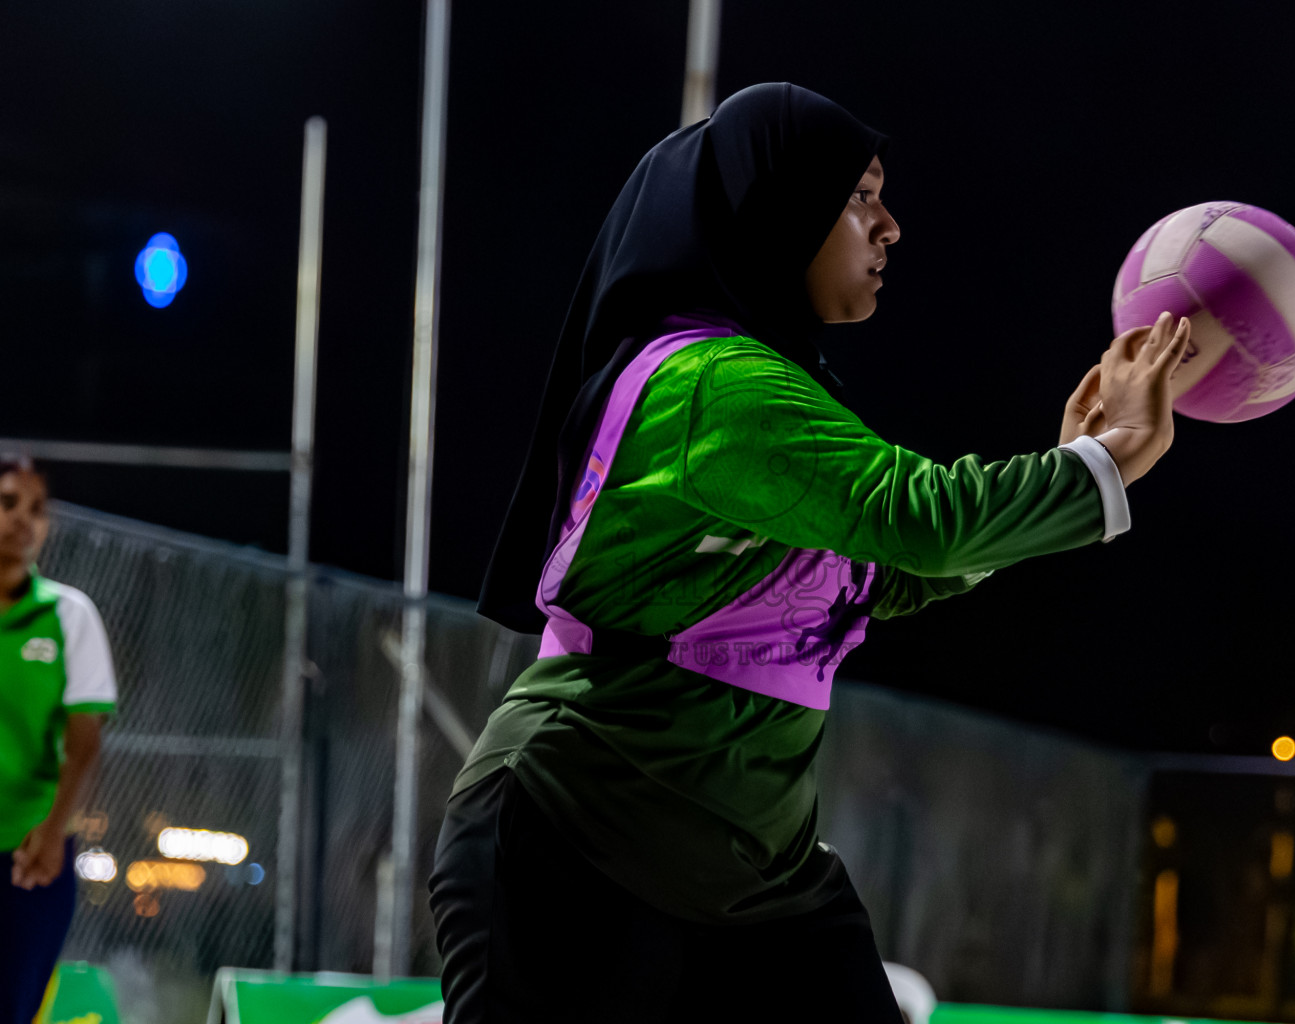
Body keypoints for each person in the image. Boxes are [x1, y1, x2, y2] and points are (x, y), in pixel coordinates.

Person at [429, 83, 1188, 1022]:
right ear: (777, 212)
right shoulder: (712, 381)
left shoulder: (768, 388)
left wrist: (1069, 471)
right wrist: (1104, 461)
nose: (890, 227)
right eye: (860, 195)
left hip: (752, 880)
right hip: (579, 843)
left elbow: (885, 571)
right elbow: (921, 520)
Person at [0, 456, 117, 1024]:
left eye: (38, 510)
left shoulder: (69, 615)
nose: (24, 520)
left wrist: (52, 831)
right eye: (8, 503)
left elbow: (85, 740)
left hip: (29, 853)